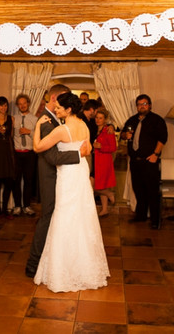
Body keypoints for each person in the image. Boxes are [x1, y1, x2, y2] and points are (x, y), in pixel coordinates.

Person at [32, 92, 109, 292]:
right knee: (82, 215)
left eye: (58, 107)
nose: (55, 110)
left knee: (65, 216)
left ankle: (64, 269)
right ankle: (85, 268)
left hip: (67, 174)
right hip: (81, 171)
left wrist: (39, 126)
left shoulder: (62, 130)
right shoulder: (84, 126)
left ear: (68, 110)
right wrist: (80, 153)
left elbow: (38, 147)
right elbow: (89, 150)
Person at [25, 84, 85, 279]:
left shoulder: (60, 120)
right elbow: (51, 157)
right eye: (63, 100)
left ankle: (56, 260)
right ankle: (33, 264)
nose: (66, 105)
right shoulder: (45, 121)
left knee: (60, 219)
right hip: (51, 175)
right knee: (48, 216)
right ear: (54, 98)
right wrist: (78, 155)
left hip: (64, 176)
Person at [120, 94, 168, 230]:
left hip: (150, 161)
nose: (142, 106)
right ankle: (140, 216)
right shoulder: (132, 120)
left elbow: (162, 139)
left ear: (150, 105)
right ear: (137, 106)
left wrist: (155, 154)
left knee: (152, 191)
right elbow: (124, 133)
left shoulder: (157, 120)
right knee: (138, 190)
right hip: (135, 162)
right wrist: (125, 135)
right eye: (140, 104)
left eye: (145, 104)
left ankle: (155, 220)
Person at [12, 93, 37, 216]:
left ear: (28, 103)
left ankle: (27, 206)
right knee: (15, 180)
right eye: (20, 104)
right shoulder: (13, 119)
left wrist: (28, 132)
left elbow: (39, 136)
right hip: (16, 153)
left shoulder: (35, 119)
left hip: (30, 154)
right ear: (17, 105)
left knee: (28, 181)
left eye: (24, 103)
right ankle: (17, 206)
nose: (22, 106)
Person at [93, 109, 117, 216]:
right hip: (95, 159)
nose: (98, 120)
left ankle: (109, 194)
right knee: (102, 185)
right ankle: (104, 209)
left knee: (98, 186)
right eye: (97, 117)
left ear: (105, 119)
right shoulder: (94, 129)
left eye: (100, 118)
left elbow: (113, 147)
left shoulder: (108, 130)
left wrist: (101, 146)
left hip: (104, 161)